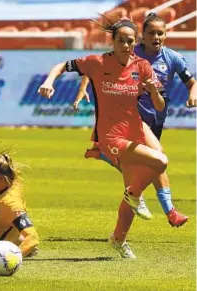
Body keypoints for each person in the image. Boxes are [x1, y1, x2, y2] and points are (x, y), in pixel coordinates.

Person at [38, 16, 168, 259]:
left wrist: (152, 90)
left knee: (132, 191)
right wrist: (49, 81)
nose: (126, 45)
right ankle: (129, 186)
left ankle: (118, 239)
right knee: (160, 161)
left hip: (134, 133)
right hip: (111, 136)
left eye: (130, 41)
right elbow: (60, 66)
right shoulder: (95, 62)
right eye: (121, 40)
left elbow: (160, 107)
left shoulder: (141, 66)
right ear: (112, 40)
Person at [73, 12, 196, 227]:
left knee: (139, 166)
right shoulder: (130, 51)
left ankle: (107, 158)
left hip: (156, 116)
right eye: (151, 33)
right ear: (143, 36)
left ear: (166, 35)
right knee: (157, 159)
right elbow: (97, 67)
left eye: (160, 33)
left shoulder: (173, 58)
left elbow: (191, 82)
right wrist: (83, 89)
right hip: (133, 115)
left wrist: (192, 93)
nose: (156, 37)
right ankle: (170, 211)